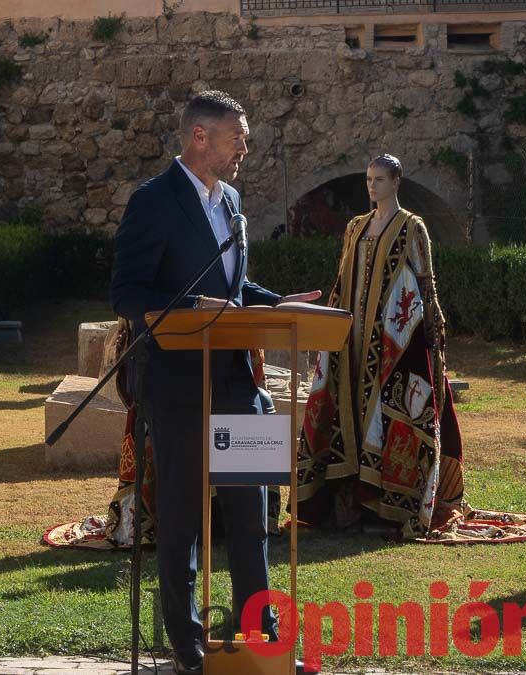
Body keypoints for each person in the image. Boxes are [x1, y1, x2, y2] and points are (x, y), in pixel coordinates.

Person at [110, 91, 319, 675]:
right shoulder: (153, 202)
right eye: (237, 136)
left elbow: (234, 289)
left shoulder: (231, 200)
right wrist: (187, 308)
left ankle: (261, 641)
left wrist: (279, 304)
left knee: (252, 513)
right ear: (199, 136)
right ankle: (190, 648)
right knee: (182, 521)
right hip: (178, 385)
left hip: (237, 383)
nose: (245, 147)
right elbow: (127, 293)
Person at [296, 154, 466, 541]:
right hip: (351, 341)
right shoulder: (355, 226)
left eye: (379, 180)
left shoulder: (411, 227)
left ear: (396, 181)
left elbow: (426, 282)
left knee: (389, 417)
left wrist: (434, 332)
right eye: (369, 179)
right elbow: (342, 280)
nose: (372, 186)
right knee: (346, 414)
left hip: (395, 344)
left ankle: (389, 506)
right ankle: (347, 503)